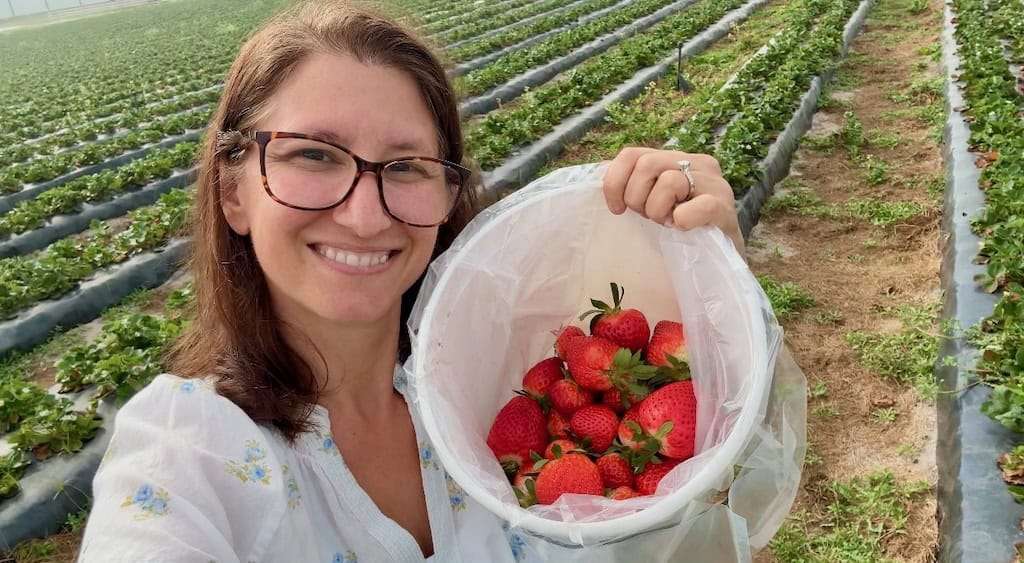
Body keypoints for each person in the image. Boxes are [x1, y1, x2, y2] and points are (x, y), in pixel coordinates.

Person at [76, 1, 745, 561]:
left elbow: (690, 526)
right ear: (233, 191)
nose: (365, 216)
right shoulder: (187, 458)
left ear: (448, 195)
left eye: (405, 166)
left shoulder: (482, 388)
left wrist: (718, 295)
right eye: (313, 154)